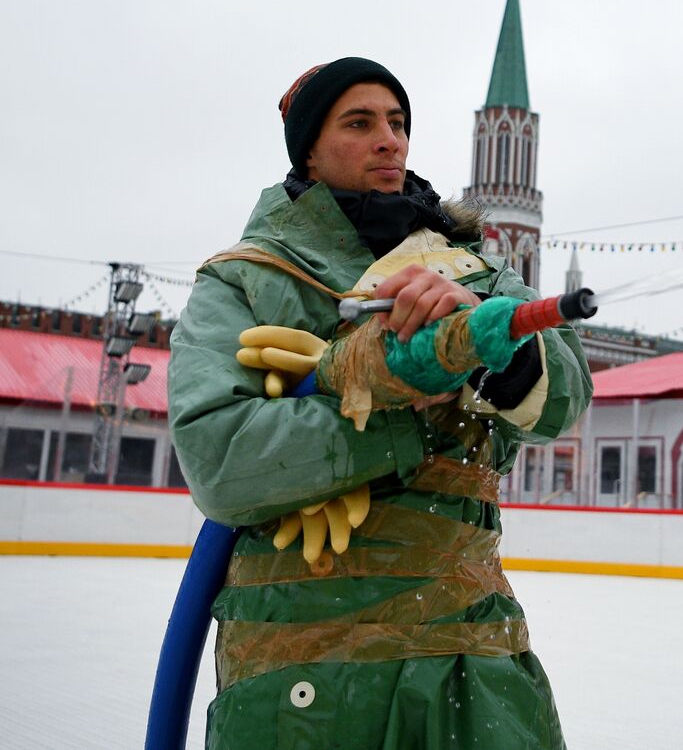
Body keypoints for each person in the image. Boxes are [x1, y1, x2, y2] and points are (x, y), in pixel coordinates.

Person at [169, 56, 591, 749]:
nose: (389, 140)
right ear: (308, 147)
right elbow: (220, 461)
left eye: (397, 123)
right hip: (305, 673)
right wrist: (398, 400)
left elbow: (562, 401)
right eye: (359, 123)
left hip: (472, 663)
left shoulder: (477, 272)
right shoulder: (246, 279)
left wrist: (488, 340)